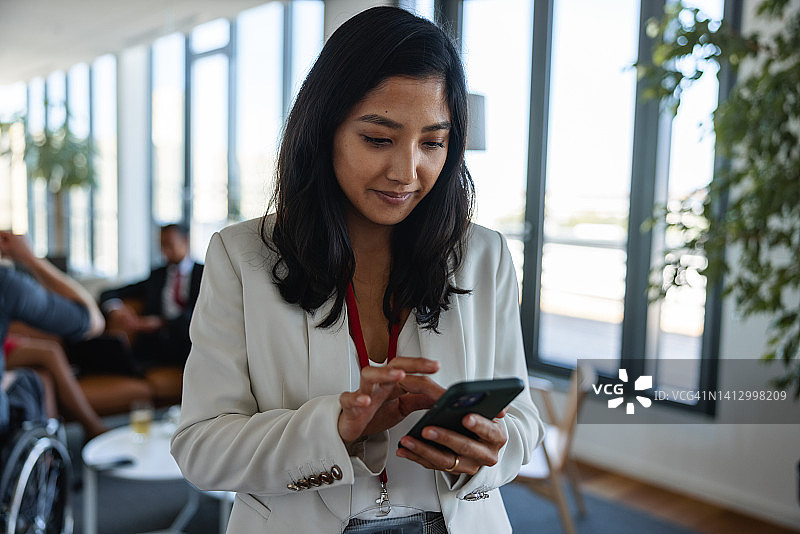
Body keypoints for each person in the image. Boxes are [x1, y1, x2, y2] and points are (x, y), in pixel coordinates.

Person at [171, 7, 543, 534]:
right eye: (378, 139)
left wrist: (488, 449)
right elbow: (200, 448)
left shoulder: (484, 256)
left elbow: (524, 419)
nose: (407, 172)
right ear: (324, 130)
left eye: (433, 142)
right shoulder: (242, 256)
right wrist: (335, 427)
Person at [0, 231, 107, 438]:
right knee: (31, 383)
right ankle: (52, 459)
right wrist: (31, 259)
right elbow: (93, 321)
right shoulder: (6, 284)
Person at [97, 223, 203, 368]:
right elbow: (109, 292)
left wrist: (162, 322)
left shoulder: (204, 274)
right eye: (161, 246)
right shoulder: (157, 276)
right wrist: (115, 308)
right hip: (154, 346)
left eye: (169, 244)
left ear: (185, 241)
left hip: (188, 342)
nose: (165, 251)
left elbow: (201, 313)